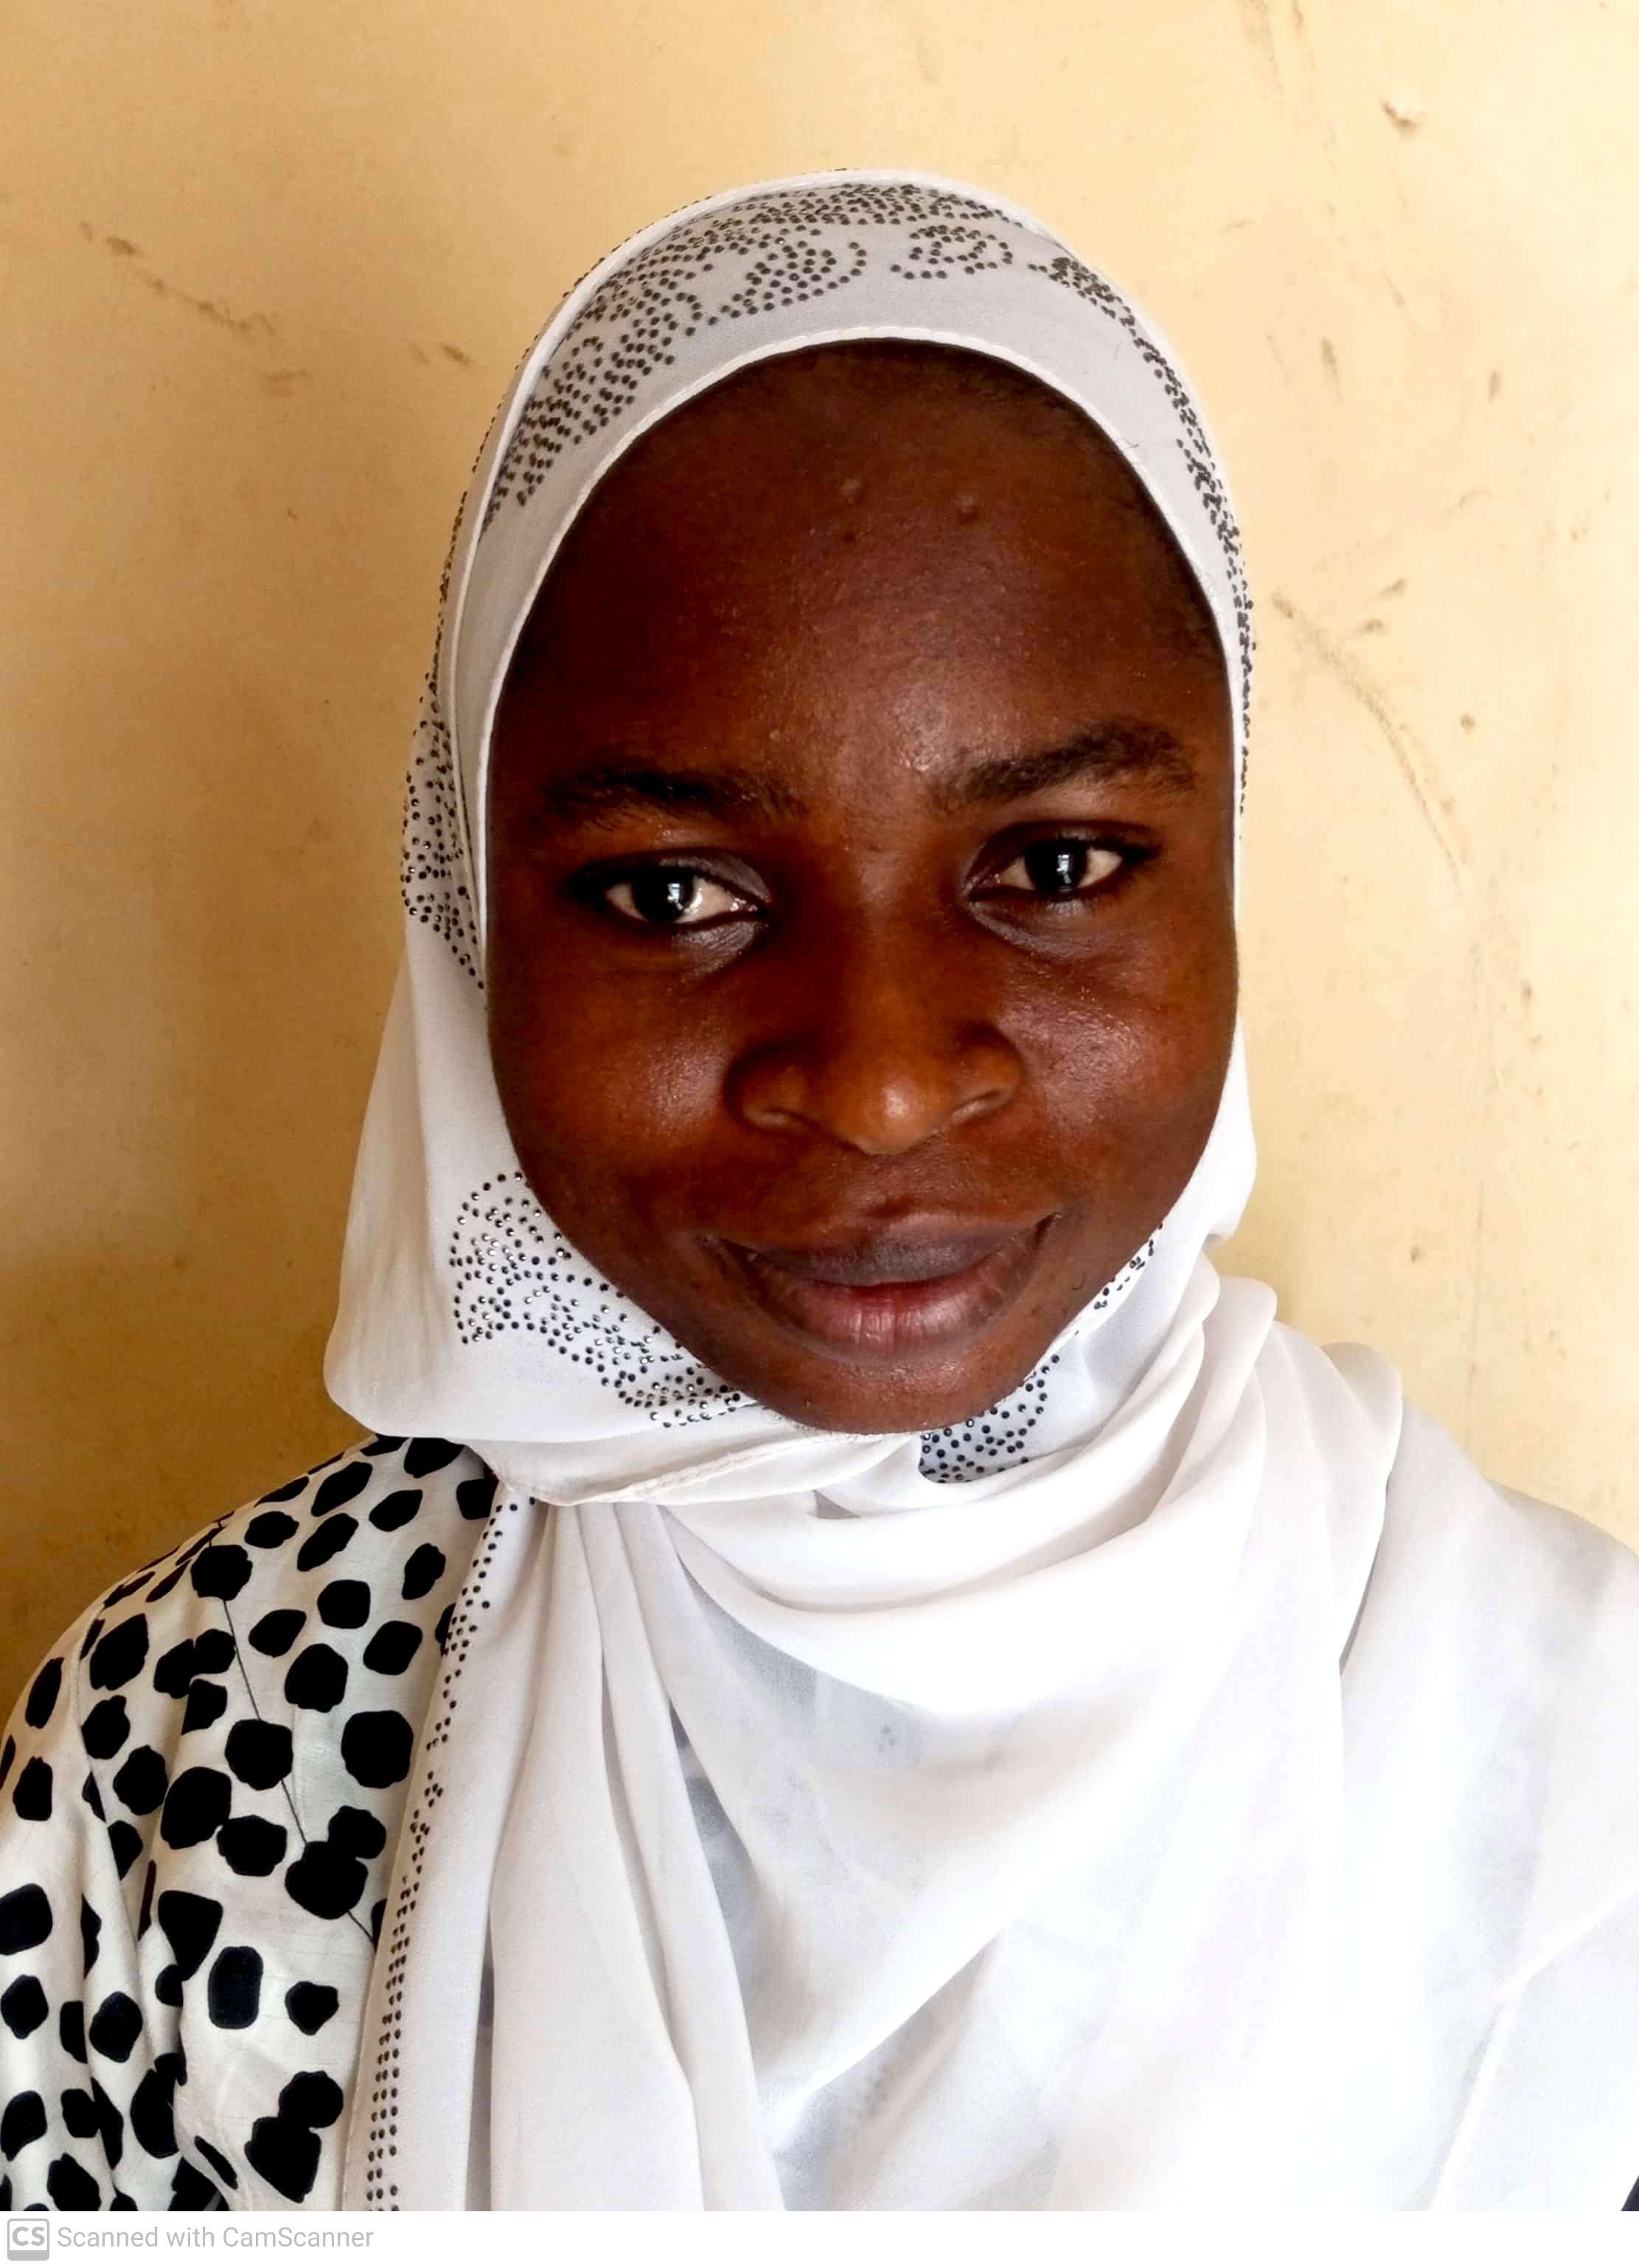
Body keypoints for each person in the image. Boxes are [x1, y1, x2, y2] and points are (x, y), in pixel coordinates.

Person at [3, 168, 1638, 2216]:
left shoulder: (1579, 1770)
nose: (875, 1088)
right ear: (471, 922)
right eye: (672, 894)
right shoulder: (190, 1755)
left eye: (1054, 867)